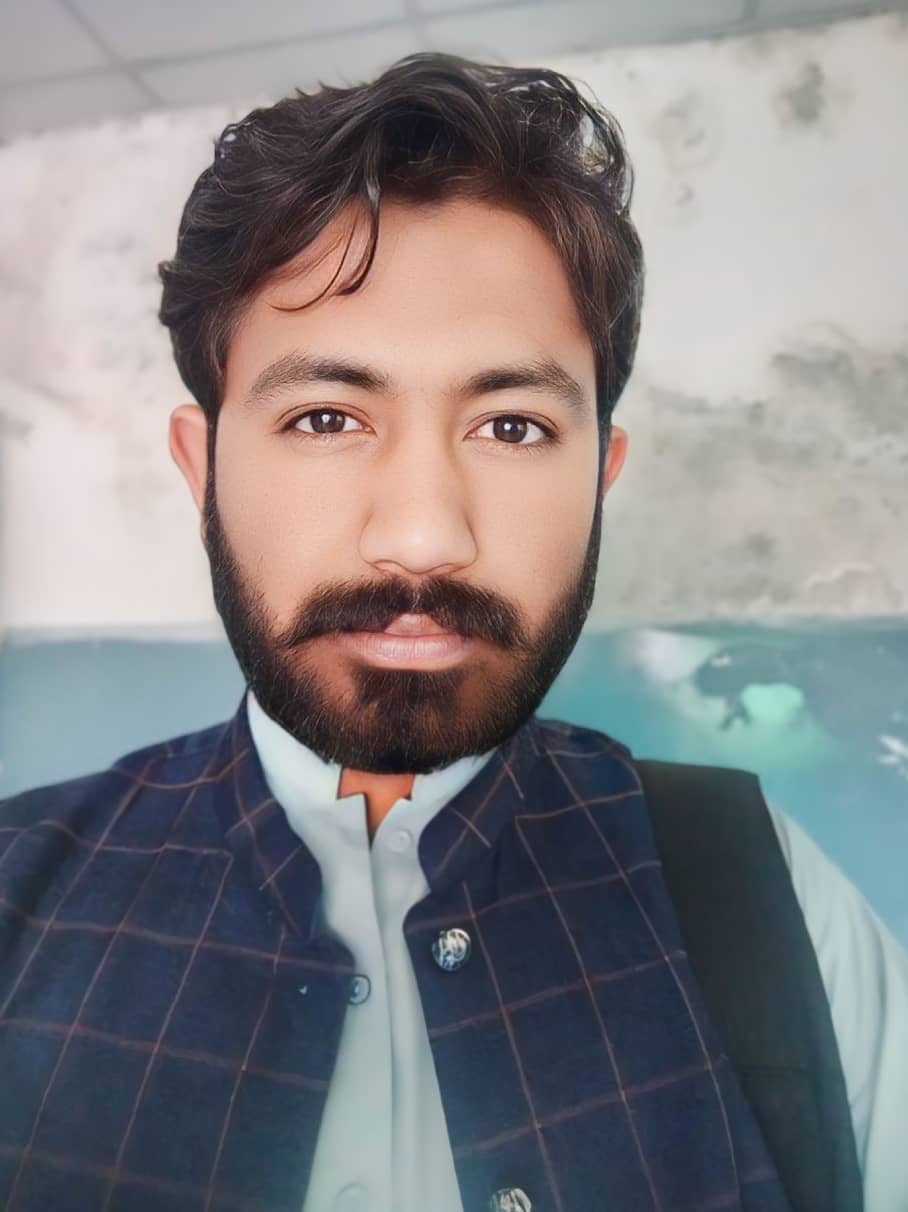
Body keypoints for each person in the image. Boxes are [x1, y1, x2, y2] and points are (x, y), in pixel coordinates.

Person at [0, 52, 906, 1212]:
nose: (424, 538)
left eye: (512, 427)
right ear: (201, 467)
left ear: (598, 476)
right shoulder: (19, 887)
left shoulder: (757, 891)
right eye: (325, 418)